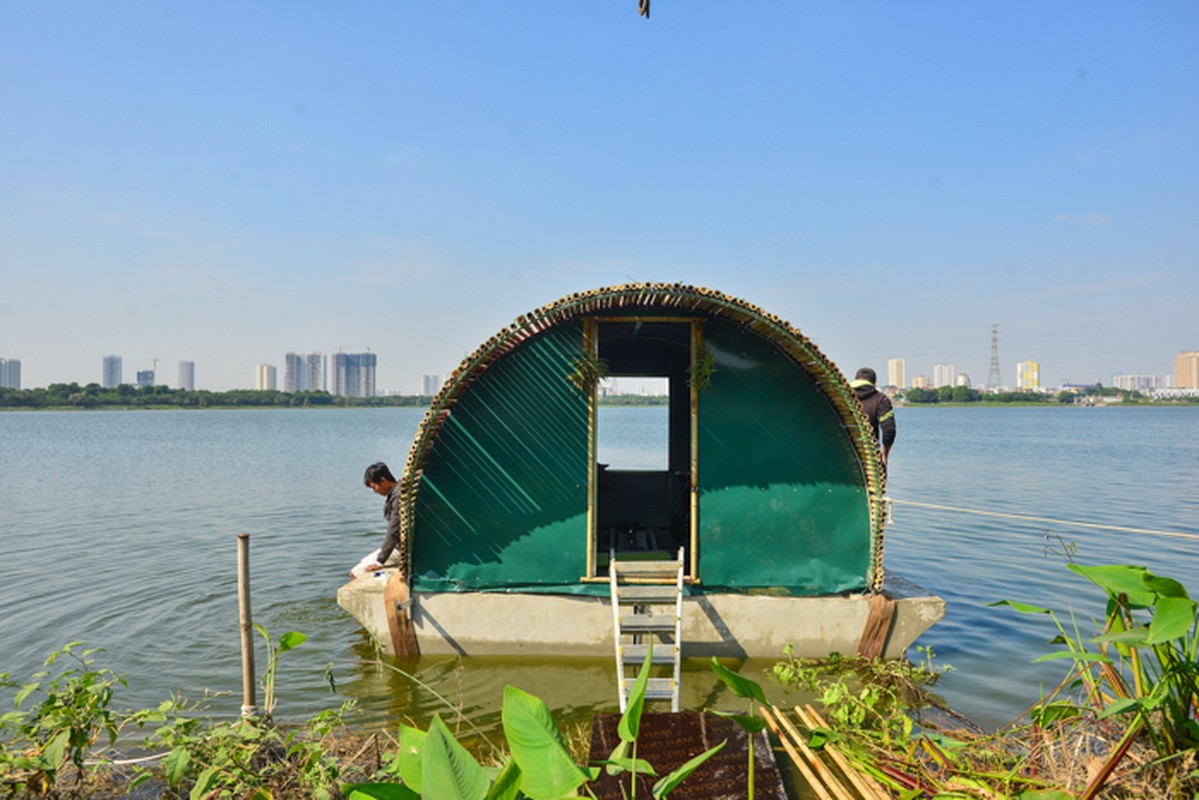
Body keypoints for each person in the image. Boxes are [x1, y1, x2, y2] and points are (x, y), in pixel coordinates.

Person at [350, 461, 404, 579]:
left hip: (401, 549)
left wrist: (380, 561)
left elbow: (393, 531)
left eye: (374, 487)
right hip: (399, 545)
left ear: (383, 480)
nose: (375, 492)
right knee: (362, 562)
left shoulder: (397, 497)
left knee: (355, 572)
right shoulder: (399, 490)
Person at [850, 367, 896, 468]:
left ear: (856, 379)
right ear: (874, 382)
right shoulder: (881, 399)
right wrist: (884, 455)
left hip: (843, 456)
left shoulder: (842, 396)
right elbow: (889, 430)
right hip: (870, 460)